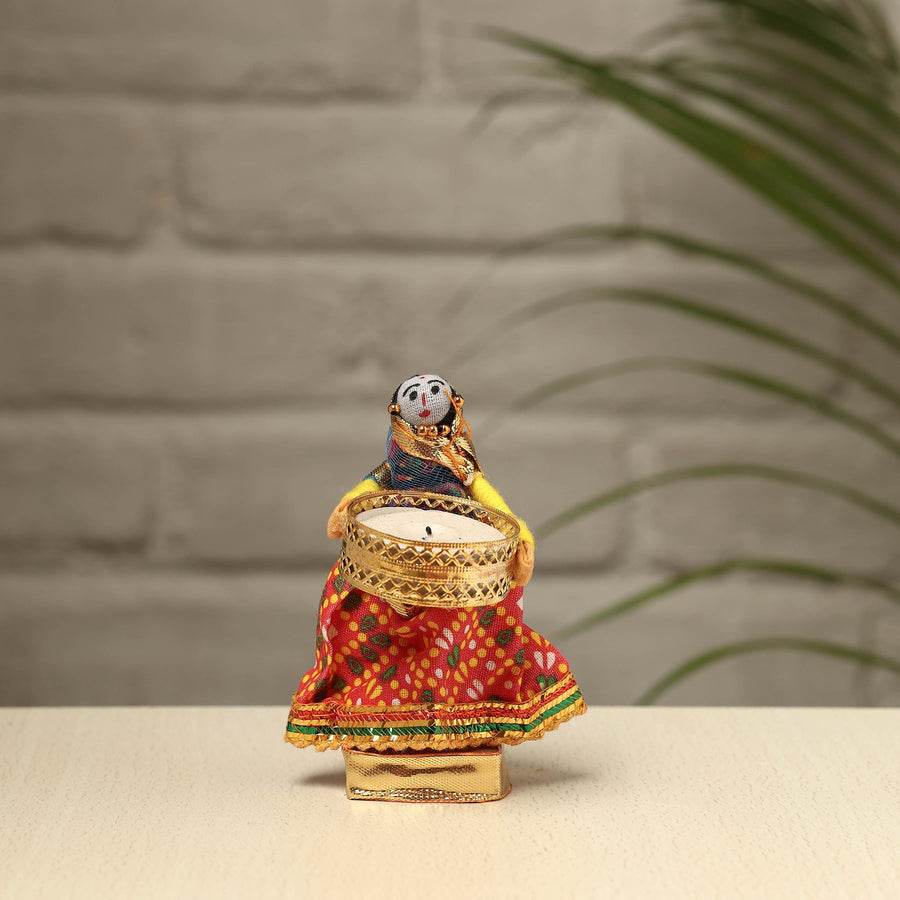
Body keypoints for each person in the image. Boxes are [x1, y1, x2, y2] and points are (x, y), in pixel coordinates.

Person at [285, 375, 585, 752]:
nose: (425, 402)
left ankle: (463, 713)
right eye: (414, 396)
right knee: (364, 607)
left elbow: (480, 489)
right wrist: (350, 503)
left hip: (456, 545)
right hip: (393, 542)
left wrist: (518, 532)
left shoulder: (457, 452)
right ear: (397, 411)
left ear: (454, 405)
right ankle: (378, 712)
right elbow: (377, 479)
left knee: (474, 613)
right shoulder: (398, 450)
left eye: (432, 395)